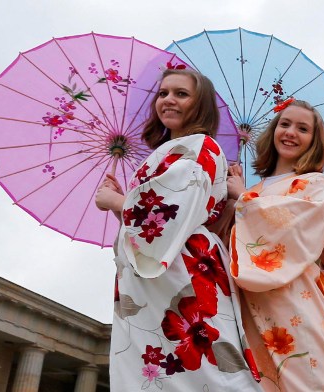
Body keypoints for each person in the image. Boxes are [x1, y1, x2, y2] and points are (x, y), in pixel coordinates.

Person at [94, 68, 261, 390]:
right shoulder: (171, 150)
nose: (168, 100)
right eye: (163, 93)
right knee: (156, 373)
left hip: (182, 272)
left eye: (181, 94)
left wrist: (117, 201)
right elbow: (145, 228)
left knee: (205, 372)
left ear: (200, 105)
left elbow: (172, 211)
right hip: (152, 277)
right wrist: (123, 206)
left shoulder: (201, 145)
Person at [227, 98, 324, 391]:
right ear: (273, 130)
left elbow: (294, 226)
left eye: (302, 128)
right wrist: (239, 197)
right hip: (251, 306)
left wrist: (243, 199)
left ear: (314, 141)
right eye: (284, 124)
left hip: (296, 300)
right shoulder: (254, 188)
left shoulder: (314, 183)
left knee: (311, 380)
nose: (291, 132)